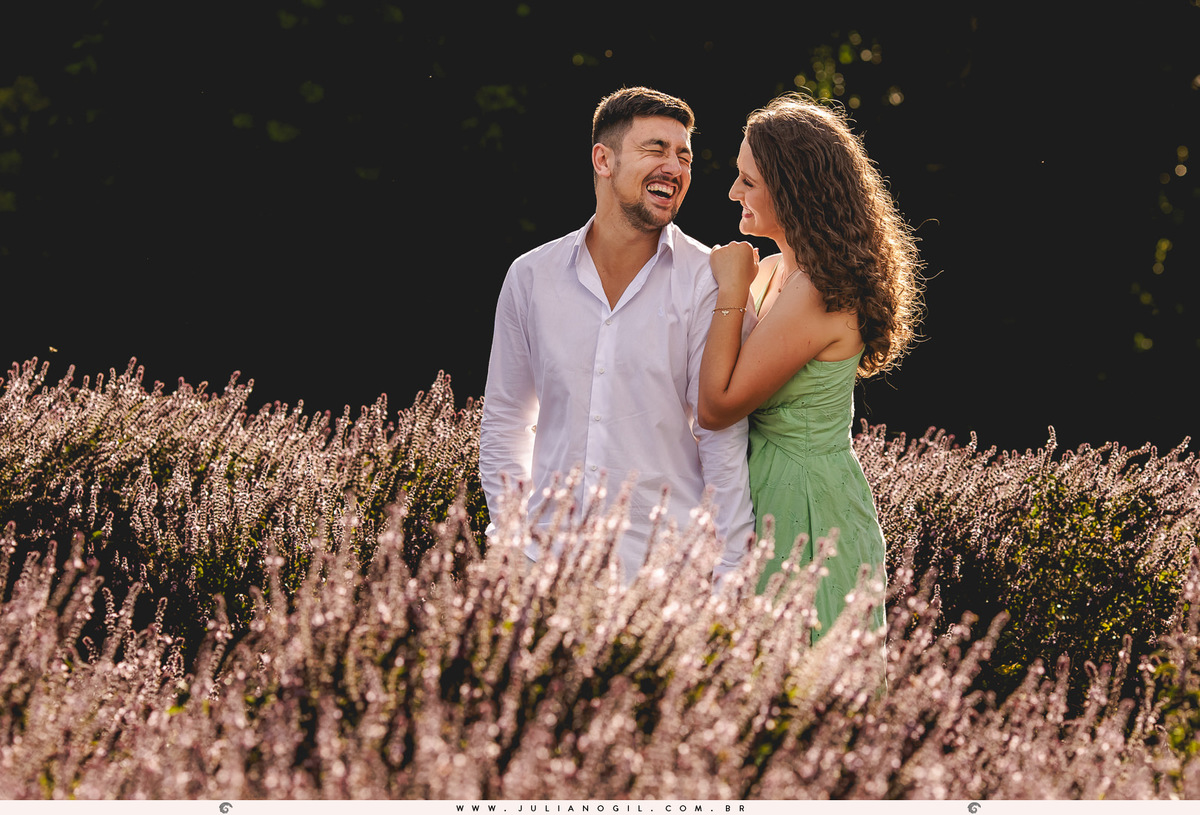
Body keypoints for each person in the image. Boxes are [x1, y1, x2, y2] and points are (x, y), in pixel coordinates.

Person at [480, 87, 756, 583]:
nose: (674, 167)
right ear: (603, 160)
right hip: (545, 570)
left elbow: (721, 437)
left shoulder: (707, 281)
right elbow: (506, 420)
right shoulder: (530, 277)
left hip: (664, 575)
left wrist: (730, 570)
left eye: (684, 156)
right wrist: (513, 541)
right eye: (656, 149)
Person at [700, 93, 924, 640]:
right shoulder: (774, 270)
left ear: (793, 188)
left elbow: (718, 406)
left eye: (748, 181)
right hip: (756, 491)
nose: (733, 193)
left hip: (803, 503)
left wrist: (730, 289)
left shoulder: (819, 292)